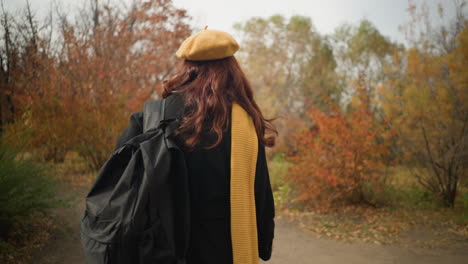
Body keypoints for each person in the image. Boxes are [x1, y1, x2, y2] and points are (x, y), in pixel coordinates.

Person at [116, 27, 277, 264]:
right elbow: (259, 192)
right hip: (225, 251)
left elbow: (121, 184)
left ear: (185, 69)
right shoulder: (245, 124)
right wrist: (263, 242)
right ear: (232, 71)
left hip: (159, 250)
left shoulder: (151, 118)